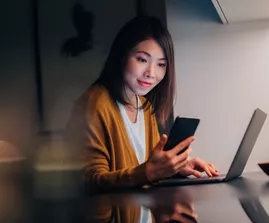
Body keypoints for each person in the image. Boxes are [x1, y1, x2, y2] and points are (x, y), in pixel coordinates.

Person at [64, 16, 218, 191]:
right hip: (108, 217)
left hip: (141, 215)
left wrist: (174, 169)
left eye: (161, 64)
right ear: (121, 55)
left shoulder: (144, 107)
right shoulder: (94, 103)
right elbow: (88, 181)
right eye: (142, 60)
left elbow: (143, 170)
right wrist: (149, 173)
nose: (151, 73)